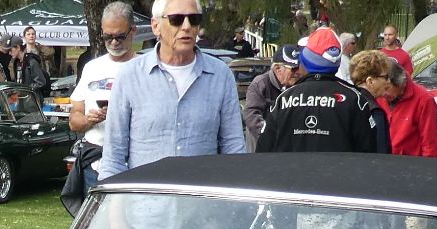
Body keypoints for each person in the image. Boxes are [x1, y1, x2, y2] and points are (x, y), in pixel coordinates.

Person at [98, 0, 246, 180]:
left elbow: (234, 148)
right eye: (176, 19)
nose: (186, 26)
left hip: (202, 205)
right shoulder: (129, 76)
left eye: (194, 19)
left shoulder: (220, 75)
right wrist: (112, 204)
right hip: (145, 204)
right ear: (156, 26)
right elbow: (113, 156)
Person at [259, 29, 386, 154]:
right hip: (340, 173)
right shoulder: (356, 100)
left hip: (290, 173)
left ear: (303, 60)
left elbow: (263, 151)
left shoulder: (283, 99)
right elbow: (369, 154)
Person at [72, 2, 140, 180]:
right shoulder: (92, 68)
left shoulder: (145, 68)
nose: (114, 42)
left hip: (134, 162)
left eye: (120, 36)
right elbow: (74, 119)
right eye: (108, 37)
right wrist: (88, 120)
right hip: (95, 161)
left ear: (133, 31)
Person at [354, 49, 436, 156]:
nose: (384, 93)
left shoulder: (424, 100)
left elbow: (430, 144)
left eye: (387, 88)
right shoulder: (376, 95)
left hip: (409, 165)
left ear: (401, 84)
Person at [243, 43, 301, 147]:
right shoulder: (260, 84)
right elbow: (251, 115)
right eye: (293, 69)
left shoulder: (299, 86)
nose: (297, 72)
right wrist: (272, 137)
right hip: (261, 150)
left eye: (299, 68)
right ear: (278, 69)